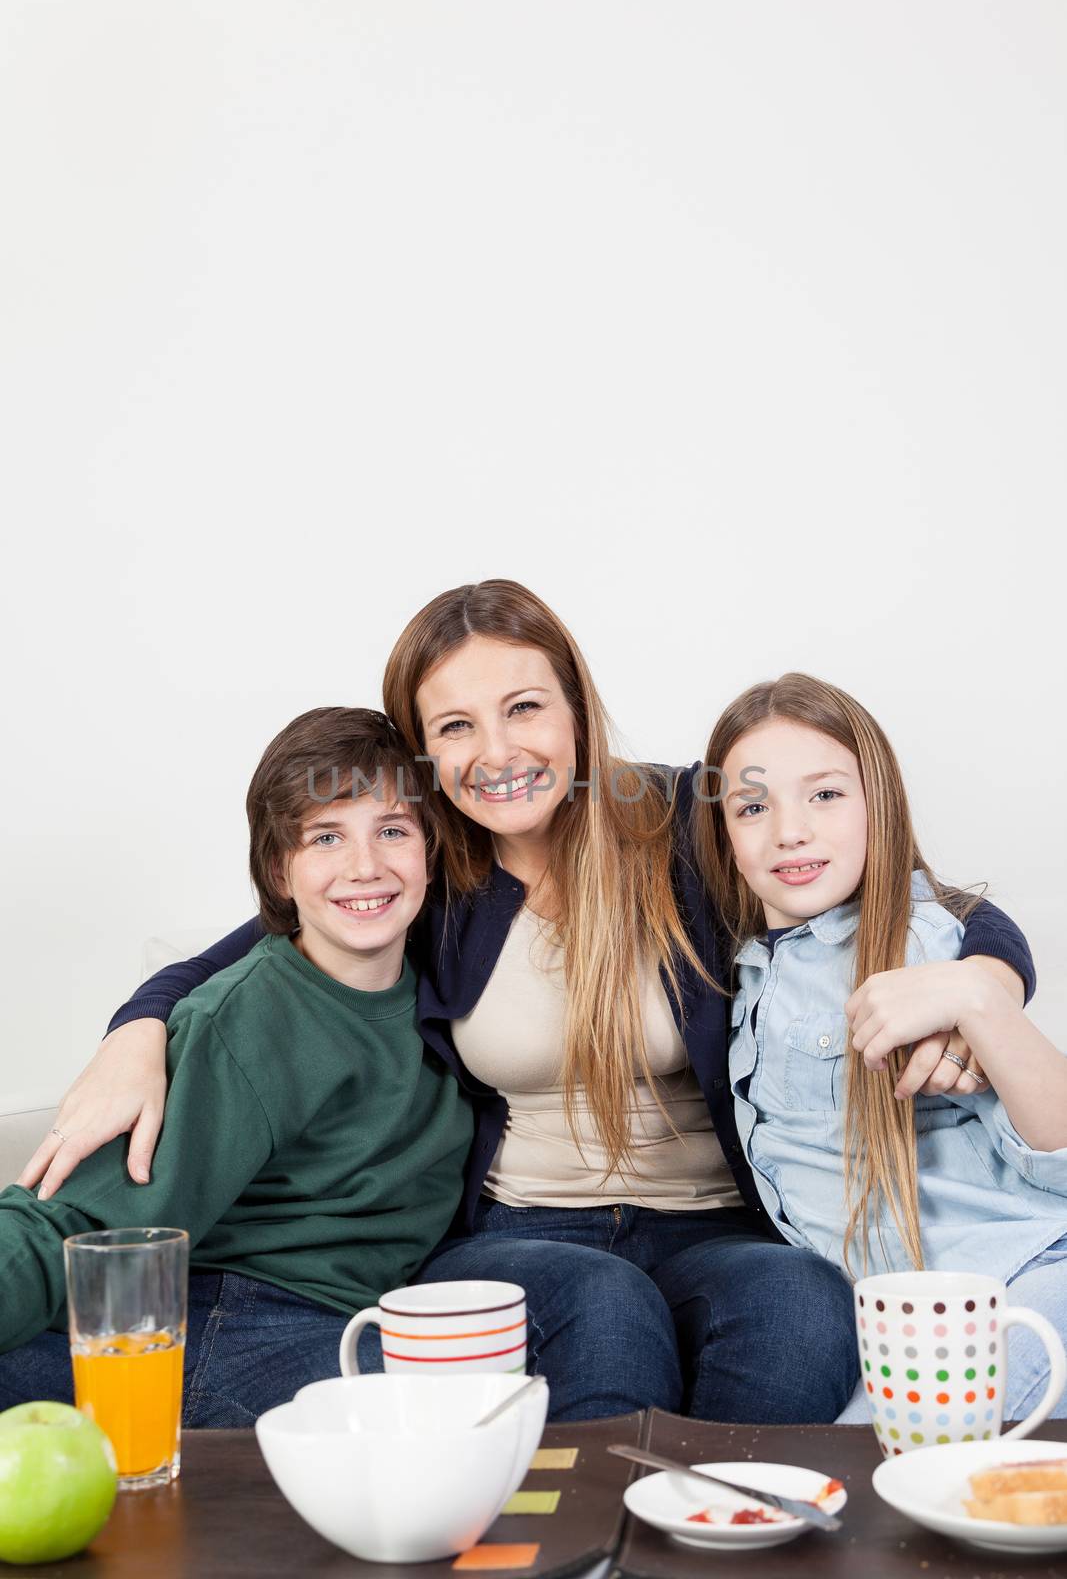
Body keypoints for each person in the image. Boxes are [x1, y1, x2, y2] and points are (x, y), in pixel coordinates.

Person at [20, 582, 1036, 1423]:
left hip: (716, 1222)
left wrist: (978, 989)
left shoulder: (688, 820)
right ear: (424, 754)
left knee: (800, 1304)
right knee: (603, 1304)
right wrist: (136, 1027)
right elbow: (263, 932)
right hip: (519, 1226)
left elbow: (925, 899)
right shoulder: (427, 868)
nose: (497, 751)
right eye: (455, 725)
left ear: (575, 708)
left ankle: (722, 1537)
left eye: (524, 708)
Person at [0, 708, 473, 1425]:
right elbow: (76, 1225)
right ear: (280, 872)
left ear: (431, 853)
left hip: (352, 1314)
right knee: (419, 1418)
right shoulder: (247, 1019)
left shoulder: (447, 983)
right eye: (325, 837)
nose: (364, 866)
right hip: (234, 1313)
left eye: (391, 830)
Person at [691, 672, 1066, 1420]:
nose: (788, 830)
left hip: (1015, 1282)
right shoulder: (745, 967)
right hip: (897, 1323)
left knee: (909, 1469)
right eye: (753, 806)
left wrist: (976, 996)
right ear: (722, 834)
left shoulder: (919, 945)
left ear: (877, 806)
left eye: (825, 795)